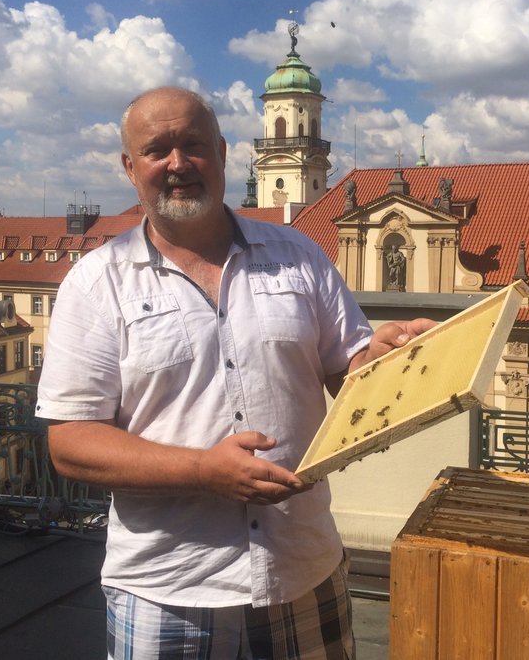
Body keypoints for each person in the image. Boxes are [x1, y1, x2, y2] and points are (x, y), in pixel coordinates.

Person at [36, 86, 432, 659]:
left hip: (302, 568)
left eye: (193, 145)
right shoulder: (98, 282)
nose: (178, 164)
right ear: (130, 167)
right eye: (157, 150)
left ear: (222, 153)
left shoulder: (299, 254)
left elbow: (351, 372)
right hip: (167, 587)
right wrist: (203, 470)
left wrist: (387, 357)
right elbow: (71, 443)